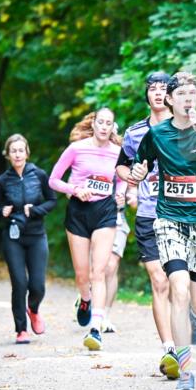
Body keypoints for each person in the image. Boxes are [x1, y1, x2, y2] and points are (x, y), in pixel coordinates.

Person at [123, 72, 196, 390]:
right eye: (182, 94)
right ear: (169, 100)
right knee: (178, 288)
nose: (189, 99)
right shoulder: (157, 134)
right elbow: (138, 165)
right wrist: (138, 173)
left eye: (193, 94)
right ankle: (185, 371)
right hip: (170, 220)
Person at [115, 71, 176, 376]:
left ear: (170, 95)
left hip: (179, 214)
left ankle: (186, 336)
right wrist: (132, 178)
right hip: (148, 214)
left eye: (162, 89)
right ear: (147, 95)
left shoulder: (183, 128)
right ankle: (169, 350)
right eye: (152, 89)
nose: (157, 94)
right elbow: (122, 167)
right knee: (159, 281)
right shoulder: (134, 132)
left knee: (181, 285)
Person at [49, 108, 122, 351]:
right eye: (100, 122)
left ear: (112, 127)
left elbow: (122, 180)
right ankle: (86, 300)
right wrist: (74, 190)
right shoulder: (76, 149)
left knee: (98, 272)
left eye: (108, 123)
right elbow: (53, 180)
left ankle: (95, 328)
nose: (104, 127)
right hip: (78, 212)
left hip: (105, 211)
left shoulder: (117, 153)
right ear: (93, 124)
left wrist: (121, 193)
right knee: (82, 276)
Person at [0, 134, 57, 344]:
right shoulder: (2, 181)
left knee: (37, 286)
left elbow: (52, 200)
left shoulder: (39, 175)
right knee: (19, 284)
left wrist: (35, 210)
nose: (17, 154)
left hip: (36, 236)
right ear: (8, 155)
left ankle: (33, 309)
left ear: (27, 152)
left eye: (21, 150)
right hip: (13, 237)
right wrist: (2, 211)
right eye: (13, 151)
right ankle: (21, 329)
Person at [102, 183, 137, 333]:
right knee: (96, 269)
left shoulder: (126, 164)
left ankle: (104, 316)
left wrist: (131, 197)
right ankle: (86, 296)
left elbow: (134, 200)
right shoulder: (91, 160)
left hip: (118, 219)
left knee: (111, 266)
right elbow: (71, 190)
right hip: (93, 218)